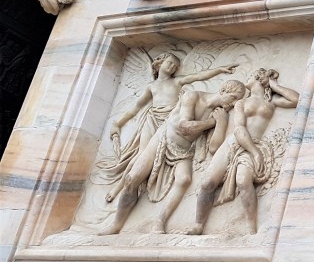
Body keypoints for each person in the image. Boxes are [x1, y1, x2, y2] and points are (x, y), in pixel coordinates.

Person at [101, 79, 246, 234]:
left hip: (184, 149)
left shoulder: (221, 114)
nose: (235, 103)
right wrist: (212, 122)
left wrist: (221, 122)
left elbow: (213, 148)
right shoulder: (192, 97)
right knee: (132, 178)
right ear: (223, 91)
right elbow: (184, 127)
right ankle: (116, 225)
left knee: (184, 180)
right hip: (163, 138)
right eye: (234, 97)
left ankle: (160, 221)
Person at [97, 52, 239, 202]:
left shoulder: (177, 82)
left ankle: (135, 183)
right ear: (159, 63)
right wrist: (118, 124)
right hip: (153, 119)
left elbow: (199, 76)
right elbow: (136, 107)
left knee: (150, 155)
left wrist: (220, 69)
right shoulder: (151, 86)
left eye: (175, 66)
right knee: (141, 154)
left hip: (169, 120)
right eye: (169, 63)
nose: (172, 67)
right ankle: (118, 188)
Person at [190, 68, 299, 234]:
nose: (246, 79)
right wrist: (254, 152)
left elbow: (297, 99)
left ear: (257, 78)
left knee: (243, 181)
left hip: (255, 143)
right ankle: (198, 225)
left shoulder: (271, 102)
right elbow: (239, 128)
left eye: (249, 75)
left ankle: (250, 228)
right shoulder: (241, 103)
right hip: (235, 142)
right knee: (207, 183)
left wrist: (274, 85)